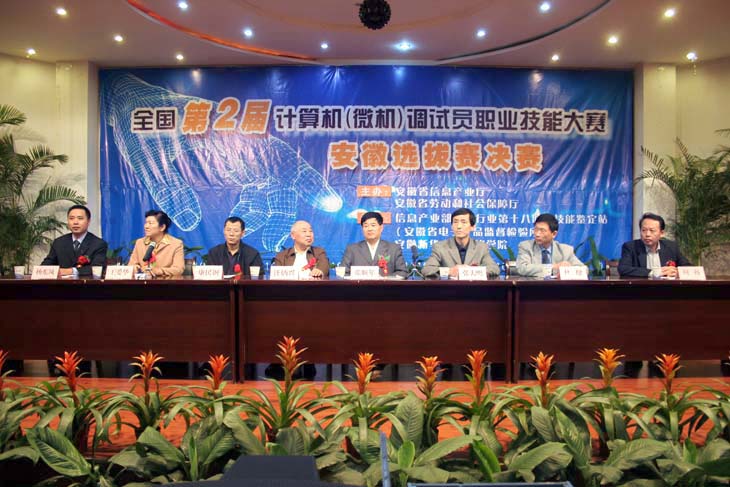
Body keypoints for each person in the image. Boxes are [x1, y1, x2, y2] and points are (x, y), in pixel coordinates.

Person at [422, 208, 500, 278]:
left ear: (472, 227)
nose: (459, 226)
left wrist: (470, 271)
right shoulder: (440, 247)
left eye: (463, 222)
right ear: (452, 226)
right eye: (455, 222)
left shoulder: (481, 247)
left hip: (474, 288)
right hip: (449, 288)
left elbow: (494, 268)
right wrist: (449, 271)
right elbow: (427, 269)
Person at [618, 212, 691, 278]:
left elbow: (688, 267)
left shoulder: (671, 247)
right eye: (644, 230)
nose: (647, 234)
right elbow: (623, 269)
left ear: (661, 233)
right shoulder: (630, 247)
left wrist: (677, 272)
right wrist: (653, 273)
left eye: (652, 230)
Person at [41, 205, 107, 277]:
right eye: (71, 218)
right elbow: (46, 266)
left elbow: (97, 269)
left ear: (88, 221)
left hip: (86, 283)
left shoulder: (98, 244)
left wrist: (70, 271)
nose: (75, 222)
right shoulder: (59, 242)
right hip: (61, 283)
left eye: (80, 218)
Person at [342, 211, 408, 278]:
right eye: (366, 226)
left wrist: (385, 279)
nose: (369, 229)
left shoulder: (394, 249)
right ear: (362, 229)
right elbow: (343, 273)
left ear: (381, 228)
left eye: (373, 225)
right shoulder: (352, 249)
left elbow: (402, 272)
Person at [517, 213, 583, 277]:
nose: (537, 234)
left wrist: (568, 269)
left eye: (542, 231)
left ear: (554, 234)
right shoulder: (526, 246)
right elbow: (522, 268)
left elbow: (583, 270)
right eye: (536, 229)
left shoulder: (566, 250)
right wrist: (552, 267)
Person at [128, 210, 184, 278]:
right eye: (146, 223)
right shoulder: (140, 243)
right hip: (143, 282)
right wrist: (135, 268)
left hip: (166, 282)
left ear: (162, 227)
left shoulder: (176, 244)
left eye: (150, 223)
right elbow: (131, 265)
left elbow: (178, 269)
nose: (146, 226)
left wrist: (157, 271)